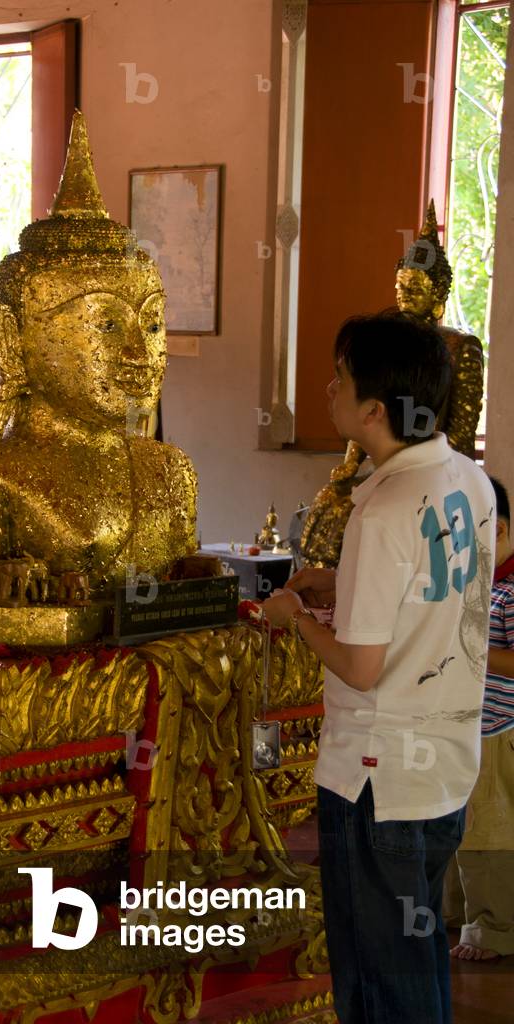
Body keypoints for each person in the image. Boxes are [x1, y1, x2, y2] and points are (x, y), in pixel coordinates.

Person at [263, 311, 496, 1024]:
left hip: (377, 779)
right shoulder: (470, 481)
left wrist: (294, 619)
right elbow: (433, 585)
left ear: (373, 409)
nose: (328, 388)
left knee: (376, 977)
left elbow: (362, 668)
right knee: (417, 948)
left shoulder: (384, 509)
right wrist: (339, 579)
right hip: (445, 769)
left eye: (340, 376)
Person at [449, 475, 514, 962]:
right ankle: (456, 914)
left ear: (502, 531)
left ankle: (494, 929)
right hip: (468, 725)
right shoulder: (479, 587)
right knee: (460, 825)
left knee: (488, 830)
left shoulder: (511, 590)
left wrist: (472, 649)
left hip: (498, 729)